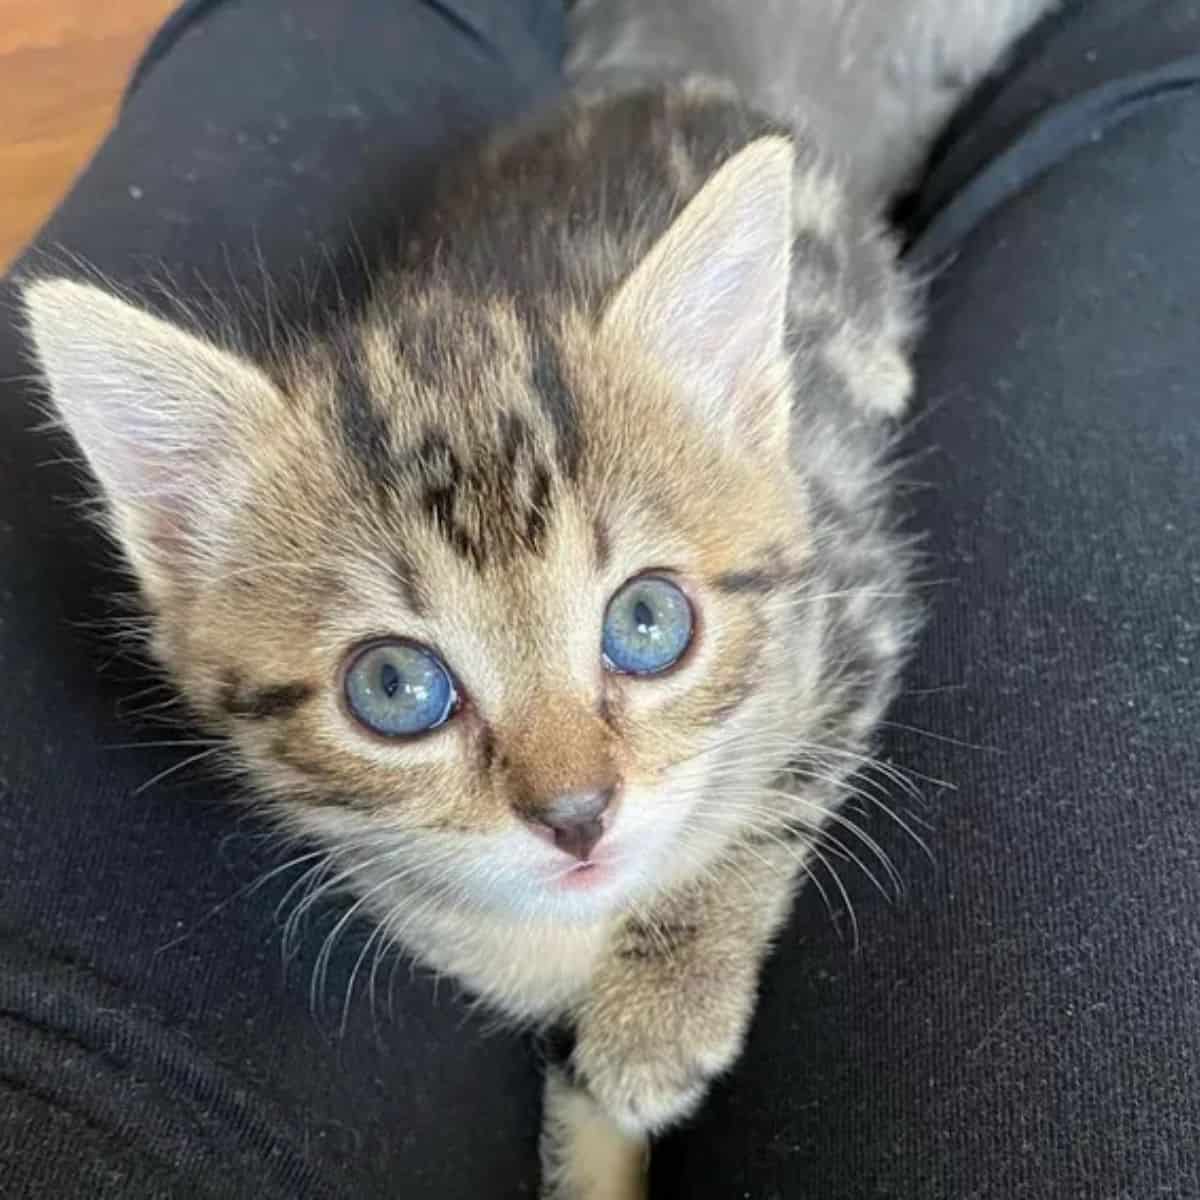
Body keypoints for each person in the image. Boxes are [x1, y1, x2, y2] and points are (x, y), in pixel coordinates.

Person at [1, 2, 1197, 1195]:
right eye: (398, 686)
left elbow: (855, 625)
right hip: (543, 218)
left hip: (670, 213)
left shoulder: (692, 449)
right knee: (1146, 97)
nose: (571, 789)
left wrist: (709, 913)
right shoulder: (256, 517)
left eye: (644, 624)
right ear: (182, 548)